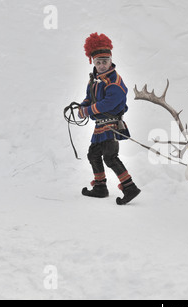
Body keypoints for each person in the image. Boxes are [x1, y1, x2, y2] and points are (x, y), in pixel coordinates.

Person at [78, 32, 141, 205]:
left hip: (111, 126)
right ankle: (100, 187)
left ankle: (130, 188)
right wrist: (82, 107)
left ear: (110, 60)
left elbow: (108, 103)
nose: (102, 65)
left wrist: (88, 110)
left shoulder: (114, 81)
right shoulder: (94, 81)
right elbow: (89, 98)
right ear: (93, 62)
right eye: (98, 62)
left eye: (104, 61)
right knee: (93, 155)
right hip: (100, 127)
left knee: (111, 157)